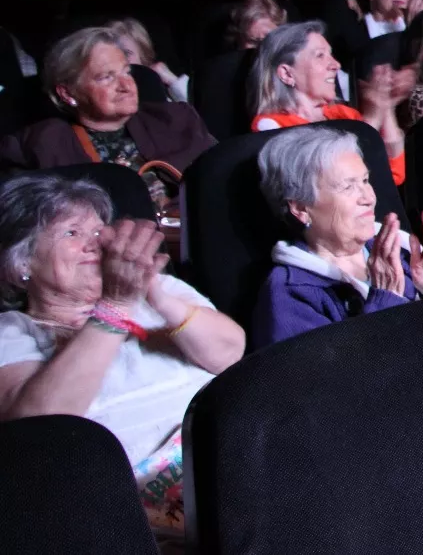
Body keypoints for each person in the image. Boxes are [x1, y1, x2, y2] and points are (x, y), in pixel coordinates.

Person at [0, 174, 245, 536]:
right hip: (151, 493)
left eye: (99, 232)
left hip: (232, 443)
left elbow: (230, 354)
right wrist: (115, 307)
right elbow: (41, 426)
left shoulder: (158, 290)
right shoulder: (12, 330)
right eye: (72, 234)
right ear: (21, 263)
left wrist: (154, 294)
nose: (94, 246)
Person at [252, 127, 423, 347]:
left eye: (366, 181)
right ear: (301, 208)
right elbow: (340, 379)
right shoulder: (290, 295)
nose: (369, 197)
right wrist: (385, 300)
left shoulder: (401, 251)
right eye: (348, 187)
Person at [0, 28, 215, 220]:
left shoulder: (176, 119)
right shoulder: (38, 145)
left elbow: (218, 181)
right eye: (106, 77)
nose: (126, 85)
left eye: (126, 72)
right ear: (67, 93)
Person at [249, 21, 411, 186]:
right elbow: (325, 182)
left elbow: (393, 175)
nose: (336, 65)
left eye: (331, 55)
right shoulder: (270, 126)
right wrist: (372, 118)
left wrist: (386, 106)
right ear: (287, 74)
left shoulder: (343, 114)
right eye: (320, 55)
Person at [106, 17, 189, 102]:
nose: (118, 60)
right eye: (113, 54)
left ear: (143, 57)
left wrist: (172, 80)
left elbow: (196, 109)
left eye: (126, 53)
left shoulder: (158, 95)